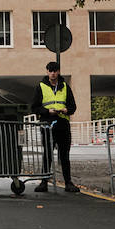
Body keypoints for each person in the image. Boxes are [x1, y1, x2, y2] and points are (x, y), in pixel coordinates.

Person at [30, 61, 80, 193]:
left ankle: (68, 183)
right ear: (47, 71)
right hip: (47, 124)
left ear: (58, 72)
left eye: (55, 71)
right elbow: (34, 107)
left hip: (63, 124)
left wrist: (65, 110)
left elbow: (73, 107)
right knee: (47, 154)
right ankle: (44, 182)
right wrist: (47, 112)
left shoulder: (65, 86)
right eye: (50, 71)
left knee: (64, 155)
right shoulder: (40, 87)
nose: (53, 73)